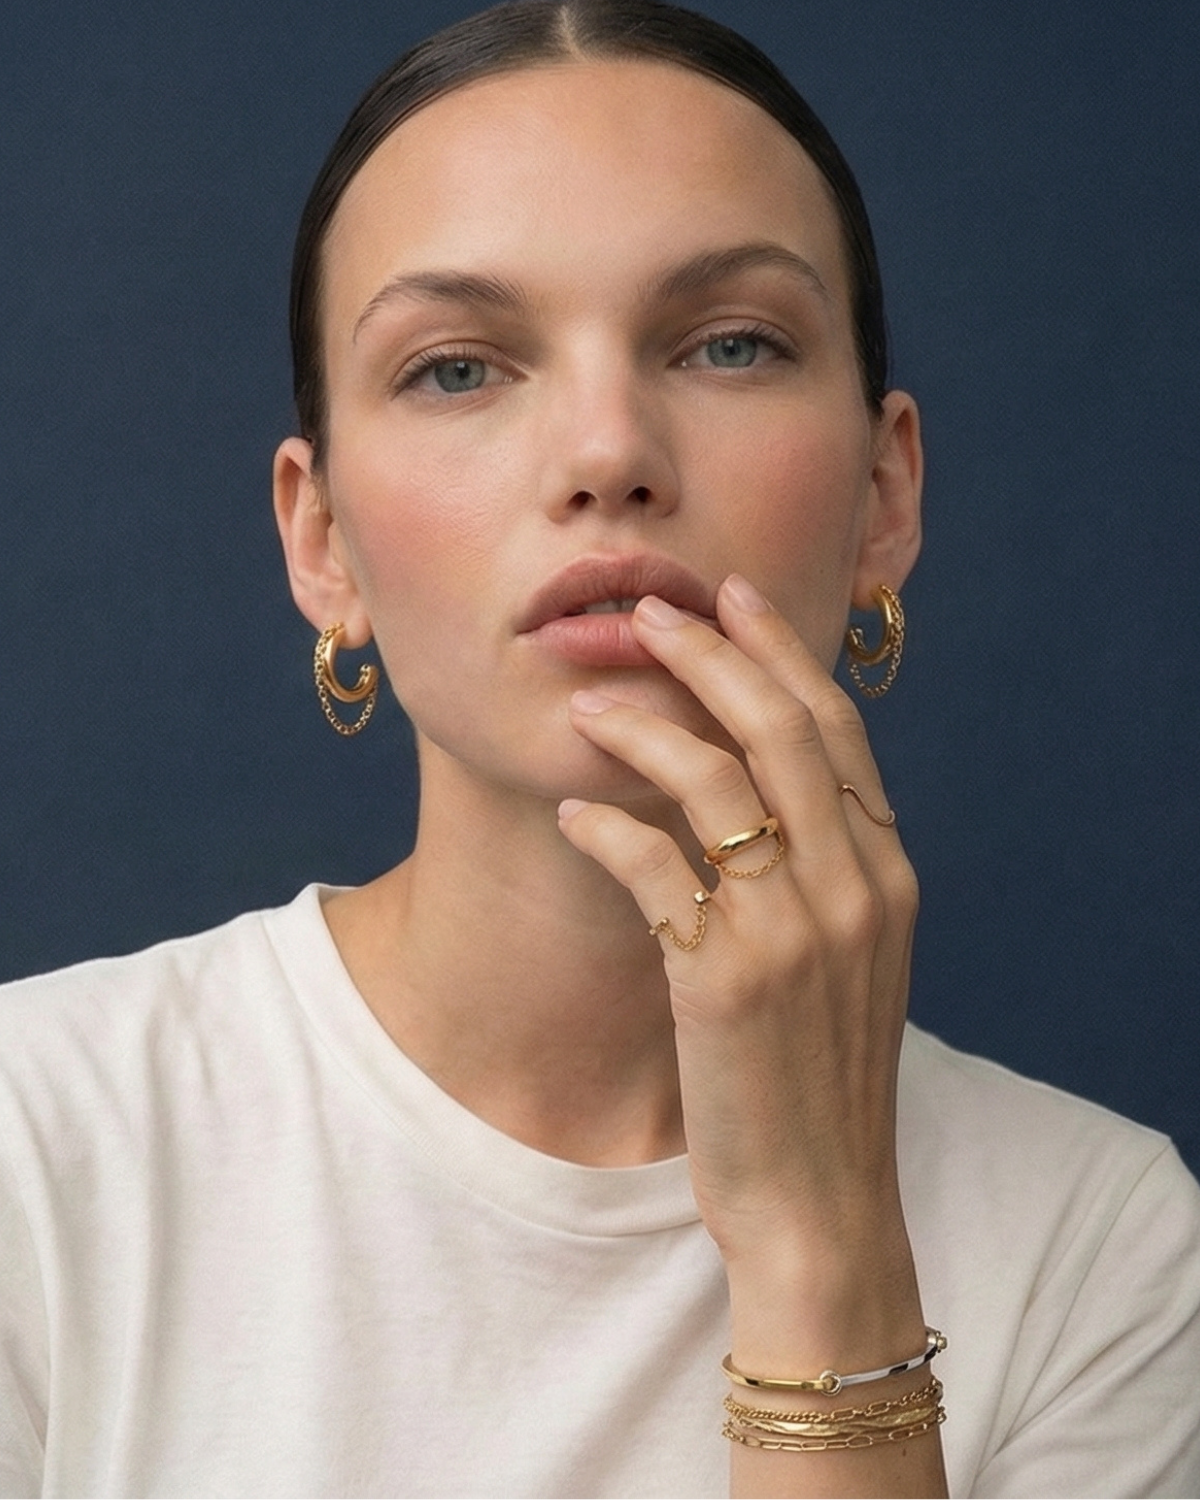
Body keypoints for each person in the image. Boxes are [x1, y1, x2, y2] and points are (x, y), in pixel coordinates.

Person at [1, 2, 1198, 1495]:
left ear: (885, 496)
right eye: (457, 368)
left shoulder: (1104, 1251)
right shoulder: (35, 1144)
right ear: (322, 540)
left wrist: (821, 1244)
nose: (608, 453)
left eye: (731, 345)